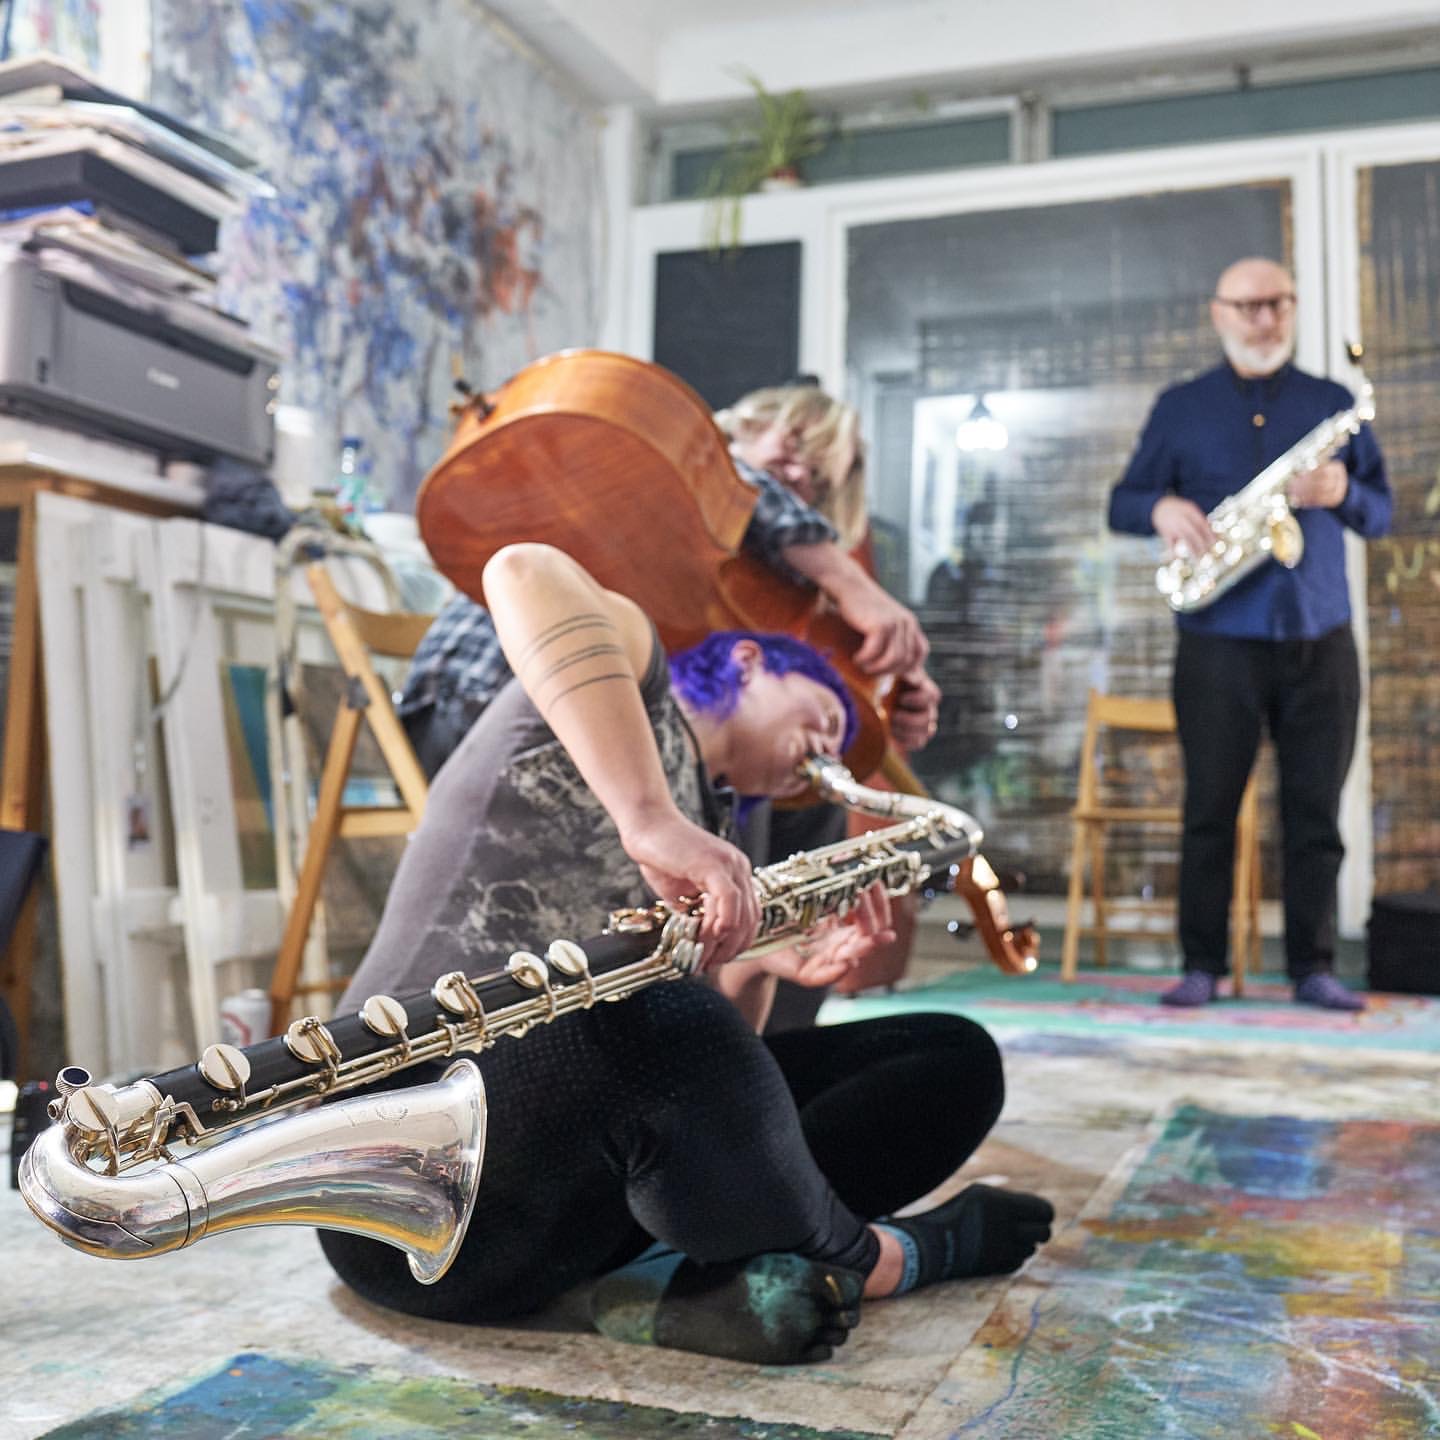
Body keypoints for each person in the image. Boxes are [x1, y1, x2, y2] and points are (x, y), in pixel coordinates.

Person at [319, 542, 1053, 1364]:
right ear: (748, 661)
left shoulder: (722, 836)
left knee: (948, 1055)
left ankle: (656, 1291)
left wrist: (759, 966)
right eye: (823, 714)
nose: (828, 750)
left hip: (564, 1221)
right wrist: (646, 815)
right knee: (652, 1019)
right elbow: (522, 571)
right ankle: (881, 1257)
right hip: (402, 1192)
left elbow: (709, 1093)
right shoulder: (629, 684)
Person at [398, 380, 934, 780]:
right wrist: (851, 581)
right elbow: (741, 481)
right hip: (473, 700)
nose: (796, 475)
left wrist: (891, 691)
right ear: (745, 426)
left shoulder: (755, 576)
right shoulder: (671, 473)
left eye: (817, 479)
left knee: (780, 771)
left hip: (555, 727)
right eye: (794, 446)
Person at [1108, 257, 1391, 1011]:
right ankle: (1201, 964)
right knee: (1209, 810)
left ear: (1292, 308)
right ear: (1218, 312)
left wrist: (1344, 489)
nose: (1264, 319)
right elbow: (1122, 502)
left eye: (1277, 303)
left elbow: (1382, 514)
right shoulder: (1180, 407)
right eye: (1248, 306)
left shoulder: (1332, 403)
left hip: (1319, 633)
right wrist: (1159, 509)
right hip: (1216, 637)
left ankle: (1313, 968)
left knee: (1316, 814)